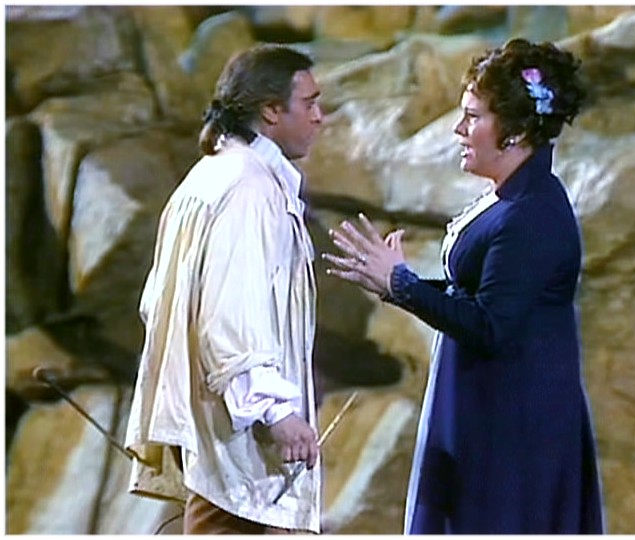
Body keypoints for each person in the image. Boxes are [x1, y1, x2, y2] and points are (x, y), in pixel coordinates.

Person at [323, 38, 605, 534]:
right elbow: (476, 294)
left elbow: (491, 325)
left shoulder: (532, 213)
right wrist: (395, 283)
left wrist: (403, 284)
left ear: (516, 131)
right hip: (485, 403)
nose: (458, 129)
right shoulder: (511, 197)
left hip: (512, 423)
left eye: (472, 117)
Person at [123, 44, 324, 534]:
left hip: (216, 427)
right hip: (236, 436)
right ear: (271, 110)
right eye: (309, 103)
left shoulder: (213, 174)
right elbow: (230, 311)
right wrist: (276, 410)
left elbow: (156, 303)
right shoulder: (247, 189)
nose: (319, 117)